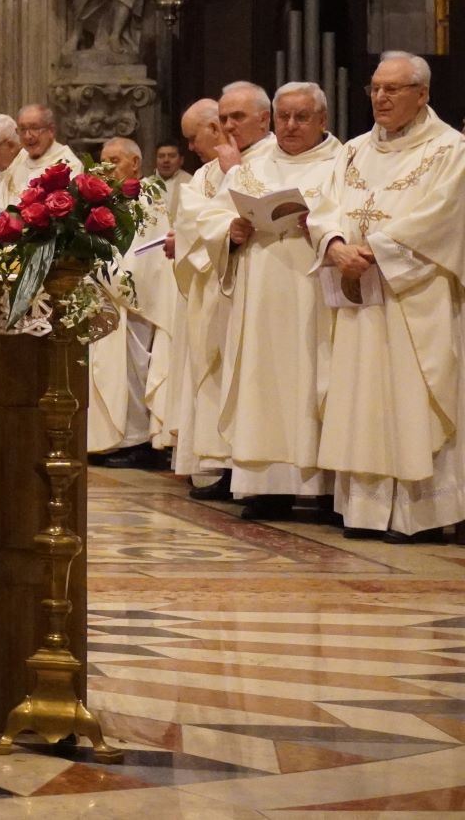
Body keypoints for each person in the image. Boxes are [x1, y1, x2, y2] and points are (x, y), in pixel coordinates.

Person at [311, 53, 465, 542]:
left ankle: (419, 515)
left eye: (394, 89)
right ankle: (365, 509)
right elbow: (323, 206)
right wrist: (335, 246)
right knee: (362, 396)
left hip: (414, 296)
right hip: (359, 294)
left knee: (411, 394)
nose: (381, 97)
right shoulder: (352, 151)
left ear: (422, 95)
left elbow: (442, 217)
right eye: (376, 87)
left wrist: (374, 252)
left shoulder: (450, 150)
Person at [215, 81, 339, 521]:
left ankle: (319, 488)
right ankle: (265, 486)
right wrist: (230, 235)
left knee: (312, 379)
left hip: (313, 287)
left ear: (322, 120)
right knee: (262, 380)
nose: (290, 125)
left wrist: (324, 225)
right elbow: (218, 217)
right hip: (260, 286)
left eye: (301, 117)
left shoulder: (342, 162)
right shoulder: (254, 164)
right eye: (284, 116)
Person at [170, 85, 273, 496]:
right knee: (213, 373)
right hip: (213, 281)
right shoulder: (207, 172)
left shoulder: (272, 159)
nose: (229, 127)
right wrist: (222, 232)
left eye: (236, 118)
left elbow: (267, 205)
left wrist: (235, 174)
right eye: (225, 120)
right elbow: (192, 216)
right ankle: (218, 461)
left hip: (253, 285)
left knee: (246, 377)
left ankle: (246, 467)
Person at [88, 137, 165, 464]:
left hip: (132, 304)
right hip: (103, 299)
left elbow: (147, 256)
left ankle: (135, 442)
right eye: (103, 162)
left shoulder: (150, 201)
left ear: (135, 163)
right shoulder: (104, 203)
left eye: (114, 161)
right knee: (103, 369)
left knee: (132, 369)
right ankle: (106, 441)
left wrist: (102, 271)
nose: (106, 169)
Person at [0, 103, 85, 209]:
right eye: (22, 129)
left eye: (34, 128)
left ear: (51, 130)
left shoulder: (68, 164)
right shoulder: (21, 157)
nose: (28, 136)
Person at [153, 140, 190, 216]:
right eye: (161, 156)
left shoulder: (191, 182)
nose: (166, 160)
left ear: (181, 160)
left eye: (172, 156)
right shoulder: (146, 185)